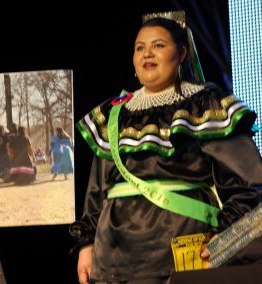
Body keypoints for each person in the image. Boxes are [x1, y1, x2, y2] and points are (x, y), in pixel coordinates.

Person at [70, 12, 262, 284]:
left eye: (158, 45)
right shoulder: (114, 114)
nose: (147, 53)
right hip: (113, 259)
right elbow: (97, 190)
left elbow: (248, 182)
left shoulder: (205, 106)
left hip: (181, 255)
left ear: (181, 53)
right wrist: (86, 247)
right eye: (140, 48)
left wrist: (227, 238)